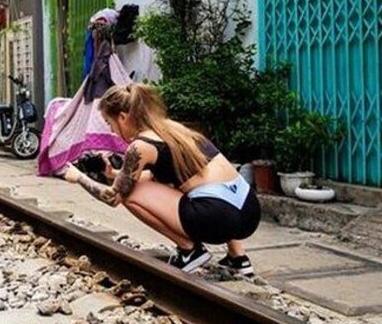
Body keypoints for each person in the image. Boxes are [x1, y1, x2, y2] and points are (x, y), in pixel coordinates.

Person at [63, 83, 260, 275]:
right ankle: (239, 257)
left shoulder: (140, 146)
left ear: (123, 117)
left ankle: (189, 250)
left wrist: (79, 177)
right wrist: (113, 173)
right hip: (249, 210)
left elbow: (114, 197)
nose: (112, 131)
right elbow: (164, 177)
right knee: (199, 188)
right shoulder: (174, 130)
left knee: (129, 194)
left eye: (110, 123)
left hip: (218, 218)